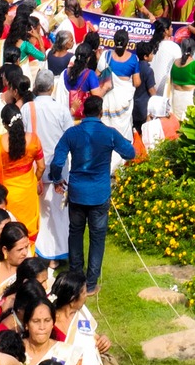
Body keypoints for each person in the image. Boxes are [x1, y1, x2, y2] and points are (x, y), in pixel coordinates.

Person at [45, 92, 135, 293]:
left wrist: (56, 178)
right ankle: (91, 283)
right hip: (99, 192)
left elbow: (57, 161)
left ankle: (76, 278)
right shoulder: (109, 133)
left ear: (83, 112)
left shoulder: (72, 133)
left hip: (77, 192)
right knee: (97, 237)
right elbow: (130, 153)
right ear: (101, 113)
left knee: (75, 234)